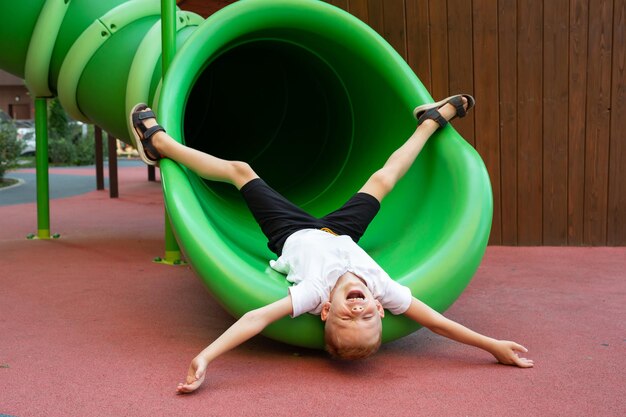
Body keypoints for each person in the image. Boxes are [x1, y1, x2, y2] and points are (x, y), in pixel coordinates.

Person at [129, 94, 534, 395]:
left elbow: (255, 319)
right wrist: (491, 345)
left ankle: (158, 145)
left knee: (241, 171)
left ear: (325, 311)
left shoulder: (313, 292)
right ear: (380, 308)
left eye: (346, 319)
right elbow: (439, 323)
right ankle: (429, 121)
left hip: (291, 232)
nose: (357, 311)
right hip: (342, 234)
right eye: (367, 318)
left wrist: (207, 356)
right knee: (382, 180)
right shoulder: (384, 290)